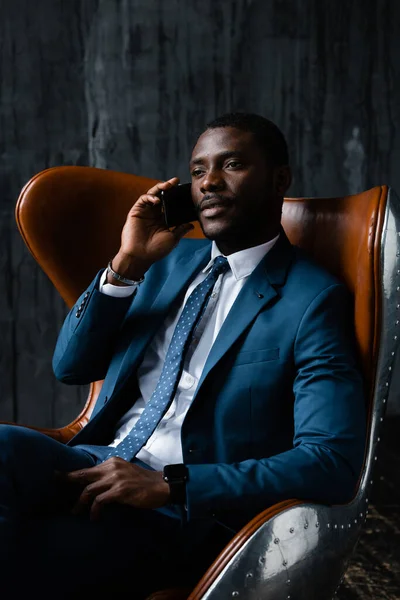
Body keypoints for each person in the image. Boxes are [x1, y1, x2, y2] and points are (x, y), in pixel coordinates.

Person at [0, 113, 366, 597]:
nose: (209, 182)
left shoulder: (312, 300)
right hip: (94, 460)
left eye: (231, 164)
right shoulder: (165, 262)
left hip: (179, 512)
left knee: (32, 550)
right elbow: (71, 366)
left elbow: (329, 461)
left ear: (280, 179)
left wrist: (173, 486)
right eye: (197, 171)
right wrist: (126, 264)